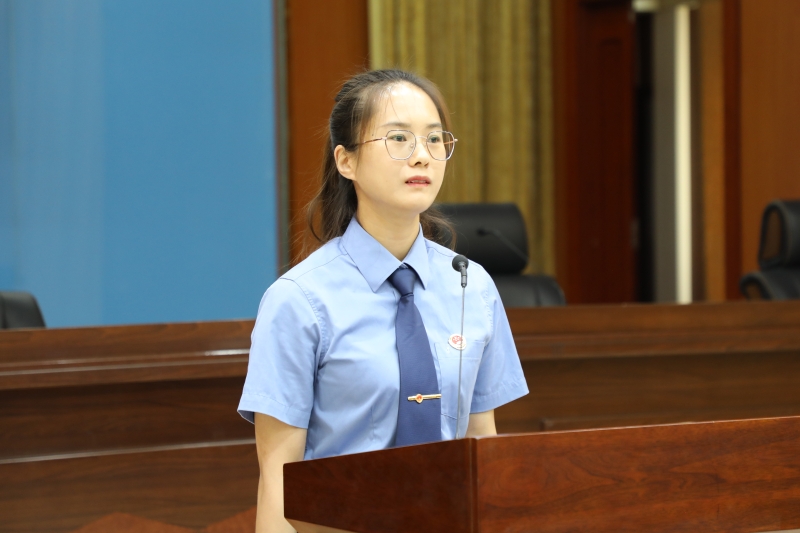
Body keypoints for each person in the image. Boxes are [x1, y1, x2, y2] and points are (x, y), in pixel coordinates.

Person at [238, 69, 529, 532]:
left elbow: (483, 446)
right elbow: (278, 481)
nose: (422, 155)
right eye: (398, 138)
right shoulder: (298, 300)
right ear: (346, 161)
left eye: (434, 139)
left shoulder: (471, 286)